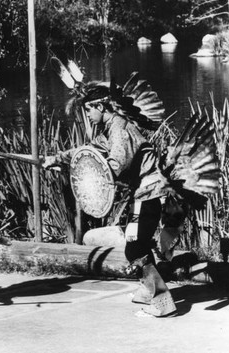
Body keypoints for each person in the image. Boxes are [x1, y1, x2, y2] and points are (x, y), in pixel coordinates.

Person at [44, 82, 177, 317]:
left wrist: (85, 174)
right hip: (143, 193)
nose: (87, 115)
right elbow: (89, 151)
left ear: (101, 106)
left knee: (135, 246)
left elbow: (115, 165)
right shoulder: (110, 129)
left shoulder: (119, 130)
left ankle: (162, 301)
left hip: (150, 192)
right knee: (138, 244)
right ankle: (148, 289)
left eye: (88, 110)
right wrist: (58, 159)